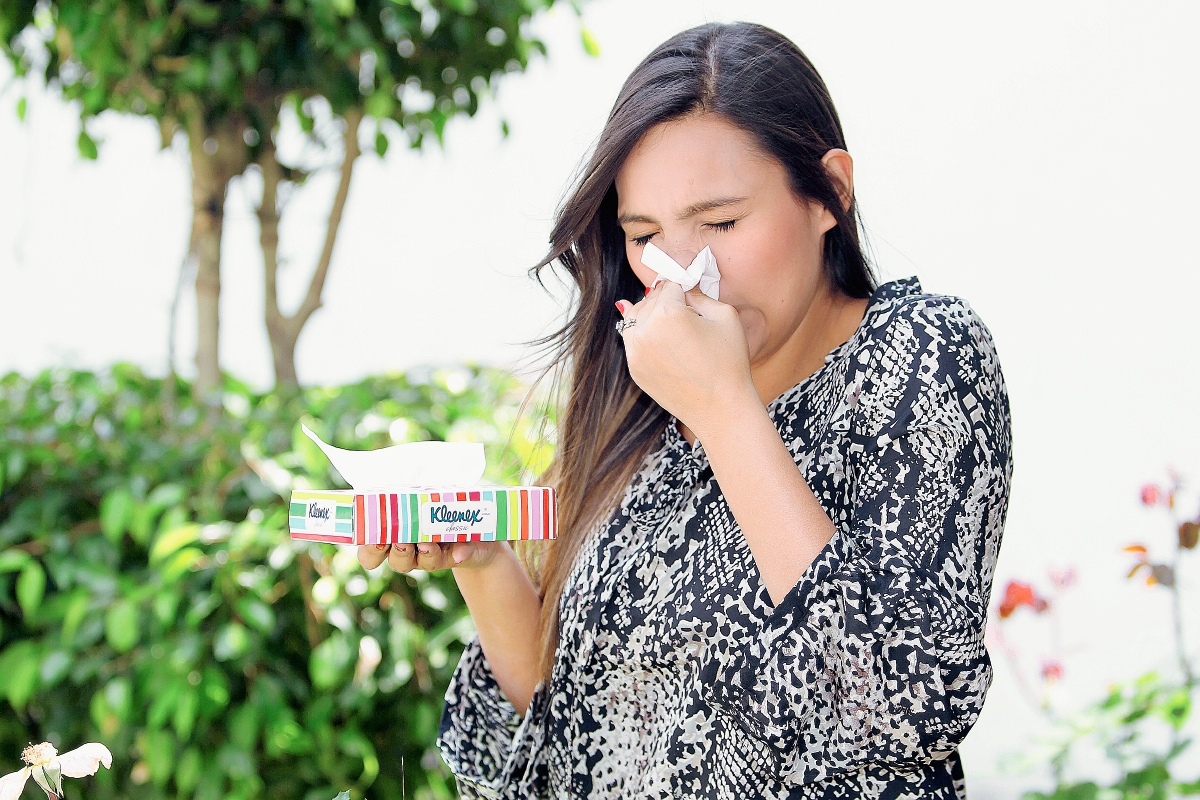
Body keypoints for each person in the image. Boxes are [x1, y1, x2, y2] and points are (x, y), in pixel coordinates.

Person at [358, 21, 1012, 800]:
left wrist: (724, 409)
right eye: (645, 235)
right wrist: (483, 561)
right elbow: (578, 736)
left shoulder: (918, 353)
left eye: (723, 223)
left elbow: (893, 711)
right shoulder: (639, 395)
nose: (683, 272)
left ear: (830, 193)